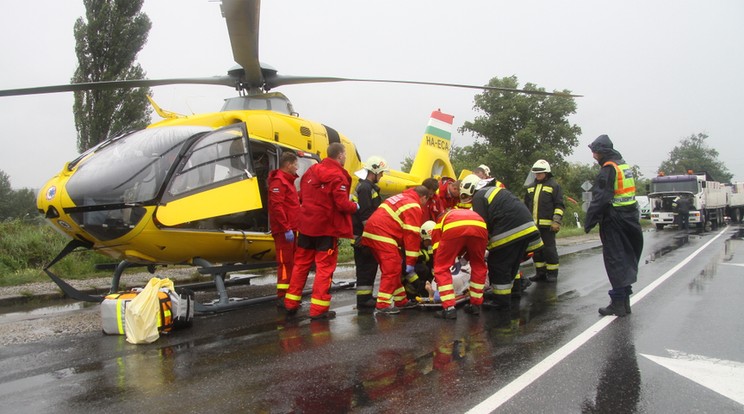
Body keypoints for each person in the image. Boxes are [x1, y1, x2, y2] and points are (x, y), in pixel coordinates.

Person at [284, 143, 359, 320]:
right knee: (324, 268)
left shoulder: (311, 171)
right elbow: (341, 204)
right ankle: (318, 310)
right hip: (326, 228)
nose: (345, 158)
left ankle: (290, 303)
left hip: (306, 226)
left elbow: (301, 195)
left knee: (301, 264)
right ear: (340, 155)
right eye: (345, 155)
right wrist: (355, 206)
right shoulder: (338, 175)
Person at [585, 134, 644, 317]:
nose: (594, 156)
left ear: (602, 151)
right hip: (630, 217)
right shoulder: (623, 165)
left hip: (614, 220)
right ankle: (624, 302)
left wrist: (590, 220)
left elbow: (601, 198)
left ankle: (618, 303)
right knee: (626, 258)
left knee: (615, 260)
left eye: (595, 152)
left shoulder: (608, 169)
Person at [468, 174, 542, 311]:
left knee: (498, 264)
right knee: (512, 263)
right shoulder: (496, 190)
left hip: (509, 232)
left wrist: (481, 247)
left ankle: (500, 300)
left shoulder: (478, 196)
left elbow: (482, 224)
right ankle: (513, 292)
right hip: (526, 229)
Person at [361, 186, 430, 314]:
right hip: (383, 233)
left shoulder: (401, 198)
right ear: (424, 197)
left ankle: (401, 300)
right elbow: (412, 235)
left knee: (394, 267)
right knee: (392, 268)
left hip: (373, 231)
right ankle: (383, 304)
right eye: (426, 201)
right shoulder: (413, 205)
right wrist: (411, 262)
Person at [429, 201, 489, 320]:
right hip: (480, 226)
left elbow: (438, 251)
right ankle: (476, 304)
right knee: (478, 264)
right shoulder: (464, 214)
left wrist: (439, 274)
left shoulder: (439, 223)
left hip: (454, 228)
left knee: (441, 268)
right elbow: (470, 249)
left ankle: (449, 308)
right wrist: (460, 260)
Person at [352, 156, 389, 309]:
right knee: (366, 268)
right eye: (380, 173)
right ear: (374, 171)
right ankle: (363, 301)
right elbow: (366, 216)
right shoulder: (366, 188)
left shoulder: (366, 187)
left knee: (368, 268)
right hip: (364, 237)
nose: (381, 176)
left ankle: (365, 297)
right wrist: (371, 236)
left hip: (363, 236)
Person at [268, 151, 300, 304]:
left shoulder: (288, 182)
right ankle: (282, 295)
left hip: (292, 229)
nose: (297, 168)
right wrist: (286, 227)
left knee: (291, 262)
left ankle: (290, 294)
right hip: (284, 230)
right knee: (285, 263)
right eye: (295, 164)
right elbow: (277, 207)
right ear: (288, 165)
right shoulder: (279, 182)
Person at [525, 159, 565, 283]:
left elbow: (559, 205)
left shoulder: (554, 186)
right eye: (536, 173)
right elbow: (526, 206)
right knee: (536, 251)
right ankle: (540, 273)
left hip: (548, 226)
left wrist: (556, 221)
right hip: (534, 226)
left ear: (547, 173)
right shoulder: (530, 187)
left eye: (540, 173)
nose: (538, 175)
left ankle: (552, 273)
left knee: (549, 250)